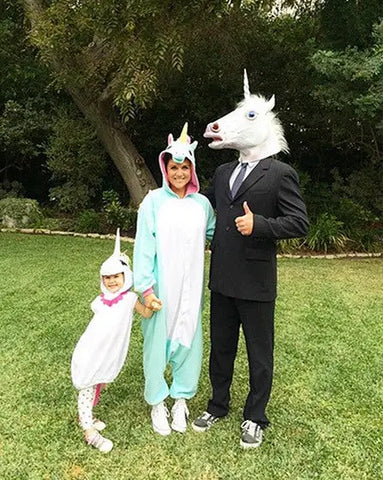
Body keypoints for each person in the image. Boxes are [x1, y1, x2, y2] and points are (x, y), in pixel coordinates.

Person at [192, 72, 309, 448]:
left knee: (260, 354)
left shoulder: (281, 174)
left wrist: (259, 224)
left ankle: (255, 416)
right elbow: (200, 203)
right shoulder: (223, 170)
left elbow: (298, 222)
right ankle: (217, 404)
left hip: (257, 282)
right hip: (222, 278)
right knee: (221, 346)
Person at [133, 123, 215, 436]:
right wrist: (145, 288)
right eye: (173, 167)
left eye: (184, 167)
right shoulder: (153, 202)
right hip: (160, 289)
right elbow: (143, 246)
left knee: (190, 342)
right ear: (165, 169)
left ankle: (181, 398)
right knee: (156, 345)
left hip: (191, 290)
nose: (179, 173)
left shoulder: (203, 205)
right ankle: (157, 401)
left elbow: (213, 235)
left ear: (191, 170)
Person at [71, 229, 161, 453]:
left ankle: (88, 417)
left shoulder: (130, 299)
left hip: (108, 352)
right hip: (91, 349)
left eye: (116, 276)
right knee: (88, 385)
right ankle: (89, 432)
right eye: (107, 278)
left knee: (97, 382)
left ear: (125, 276)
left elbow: (146, 314)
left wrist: (152, 303)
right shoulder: (99, 301)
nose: (112, 281)